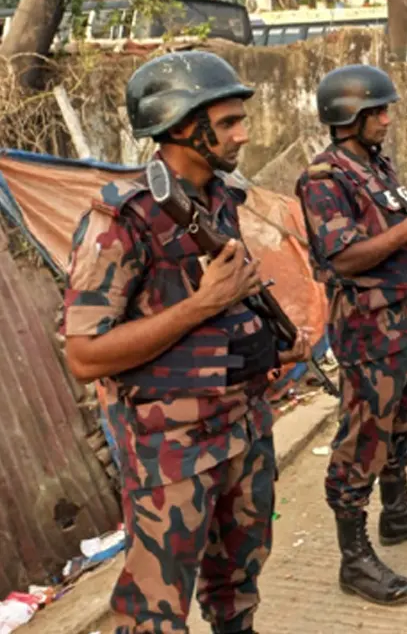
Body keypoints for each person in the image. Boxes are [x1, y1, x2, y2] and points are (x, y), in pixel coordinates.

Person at [63, 51, 312, 632]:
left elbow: (222, 327)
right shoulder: (119, 222)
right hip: (172, 450)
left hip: (243, 429)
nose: (243, 134)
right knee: (154, 614)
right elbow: (83, 356)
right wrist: (203, 303)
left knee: (237, 590)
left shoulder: (218, 200)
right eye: (227, 123)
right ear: (178, 125)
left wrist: (277, 348)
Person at [296, 65, 407, 606]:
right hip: (367, 328)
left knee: (399, 423)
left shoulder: (376, 166)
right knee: (363, 434)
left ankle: (398, 511)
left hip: (404, 319)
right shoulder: (324, 178)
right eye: (378, 112)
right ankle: (354, 556)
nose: (387, 120)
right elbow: (342, 256)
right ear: (349, 116)